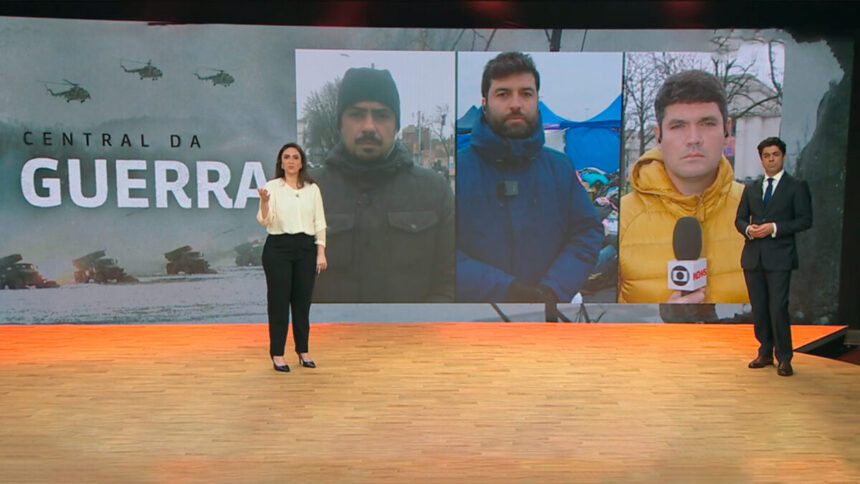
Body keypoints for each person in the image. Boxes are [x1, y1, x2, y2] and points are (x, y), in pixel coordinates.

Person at [456, 52, 603, 304]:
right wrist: (505, 290)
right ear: (484, 101)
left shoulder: (560, 168)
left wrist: (553, 289)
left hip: (547, 321)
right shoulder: (459, 169)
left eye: (526, 93)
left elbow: (587, 233)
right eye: (503, 94)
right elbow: (439, 250)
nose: (516, 103)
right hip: (475, 322)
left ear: (536, 99)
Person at [311, 67, 455, 302]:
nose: (369, 126)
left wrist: (422, 331)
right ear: (340, 123)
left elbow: (450, 281)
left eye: (381, 115)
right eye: (357, 114)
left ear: (396, 125)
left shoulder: (434, 192)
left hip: (414, 336)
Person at [618, 70, 748, 305]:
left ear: (727, 130)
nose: (693, 138)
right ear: (659, 136)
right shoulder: (622, 218)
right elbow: (600, 326)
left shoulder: (759, 212)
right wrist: (659, 328)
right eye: (678, 126)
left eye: (707, 123)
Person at [736, 137, 812, 376]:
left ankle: (784, 357)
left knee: (778, 307)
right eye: (767, 155)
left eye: (775, 155)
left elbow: (804, 220)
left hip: (780, 257)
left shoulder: (796, 187)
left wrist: (774, 228)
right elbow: (739, 219)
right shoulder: (751, 188)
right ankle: (765, 351)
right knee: (759, 307)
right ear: (761, 159)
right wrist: (749, 230)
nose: (771, 159)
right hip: (753, 257)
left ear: (783, 156)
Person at [257, 143, 327, 372]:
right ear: (281, 162)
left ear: (301, 162)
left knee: (302, 303)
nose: (290, 161)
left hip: (306, 248)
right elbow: (265, 221)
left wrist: (321, 252)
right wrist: (265, 202)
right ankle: (277, 354)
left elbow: (319, 222)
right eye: (286, 157)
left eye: (295, 157)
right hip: (279, 248)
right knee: (278, 303)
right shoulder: (272, 187)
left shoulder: (312, 189)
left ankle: (303, 351)